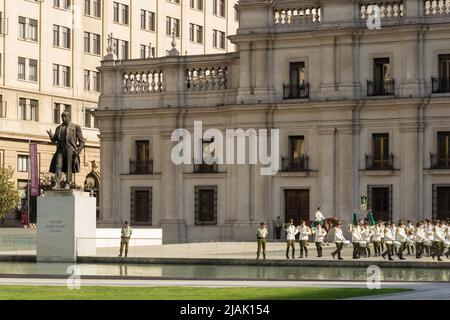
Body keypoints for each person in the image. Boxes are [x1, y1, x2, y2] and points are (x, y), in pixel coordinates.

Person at [47, 111, 86, 189]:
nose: (63, 118)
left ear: (69, 117)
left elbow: (82, 140)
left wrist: (78, 151)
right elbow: (54, 140)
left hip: (70, 150)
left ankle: (68, 183)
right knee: (58, 166)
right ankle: (57, 183)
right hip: (60, 149)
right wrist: (51, 135)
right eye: (62, 116)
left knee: (69, 167)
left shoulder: (75, 127)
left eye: (64, 116)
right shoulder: (58, 128)